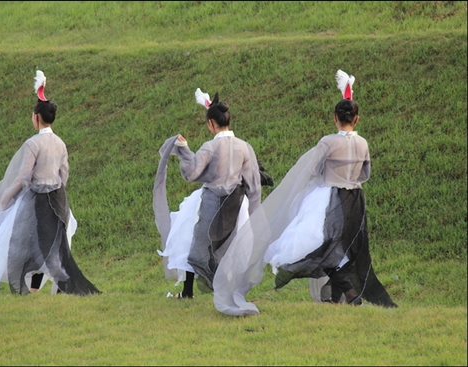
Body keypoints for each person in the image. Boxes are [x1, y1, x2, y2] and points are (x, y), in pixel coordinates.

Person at [213, 70, 397, 316]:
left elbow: (314, 168)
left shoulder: (328, 142)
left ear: (335, 118)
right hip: (356, 199)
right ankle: (334, 296)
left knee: (319, 246)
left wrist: (331, 177)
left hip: (331, 196)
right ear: (357, 119)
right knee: (343, 244)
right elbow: (365, 173)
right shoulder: (363, 143)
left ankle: (350, 294)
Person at [0, 70, 101, 296]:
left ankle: (30, 285)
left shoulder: (33, 144)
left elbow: (24, 176)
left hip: (38, 198)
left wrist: (8, 196)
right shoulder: (60, 143)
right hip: (58, 198)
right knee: (54, 242)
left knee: (27, 242)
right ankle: (55, 283)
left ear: (35, 117)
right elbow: (65, 173)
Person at [153, 89, 262, 299]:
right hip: (236, 205)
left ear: (211, 124)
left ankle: (188, 291)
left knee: (191, 240)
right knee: (230, 247)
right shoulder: (244, 148)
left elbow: (192, 173)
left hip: (212, 200)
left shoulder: (210, 147)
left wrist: (184, 150)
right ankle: (227, 289)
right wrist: (254, 215)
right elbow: (254, 186)